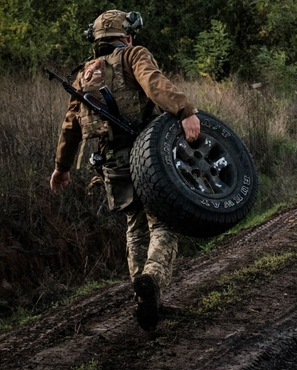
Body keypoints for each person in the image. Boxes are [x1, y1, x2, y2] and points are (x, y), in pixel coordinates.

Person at [49, 10, 201, 331]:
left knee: (134, 226)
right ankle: (152, 280)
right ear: (127, 36)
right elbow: (154, 83)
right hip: (148, 154)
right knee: (163, 223)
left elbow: (70, 126)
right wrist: (185, 110)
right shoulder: (133, 55)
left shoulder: (82, 75)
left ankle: (144, 297)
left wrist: (62, 168)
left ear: (97, 41)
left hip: (112, 162)